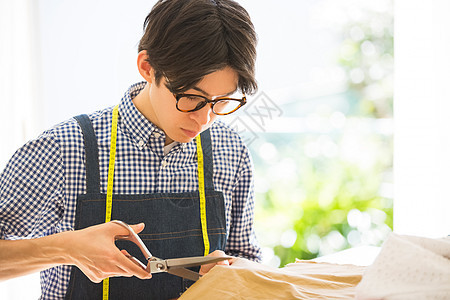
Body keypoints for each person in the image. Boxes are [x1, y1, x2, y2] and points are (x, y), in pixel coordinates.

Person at [0, 0, 261, 299]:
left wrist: (235, 270)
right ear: (147, 68)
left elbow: (247, 259)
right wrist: (66, 248)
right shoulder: (62, 149)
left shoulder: (231, 151)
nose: (204, 119)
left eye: (222, 101)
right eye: (192, 98)